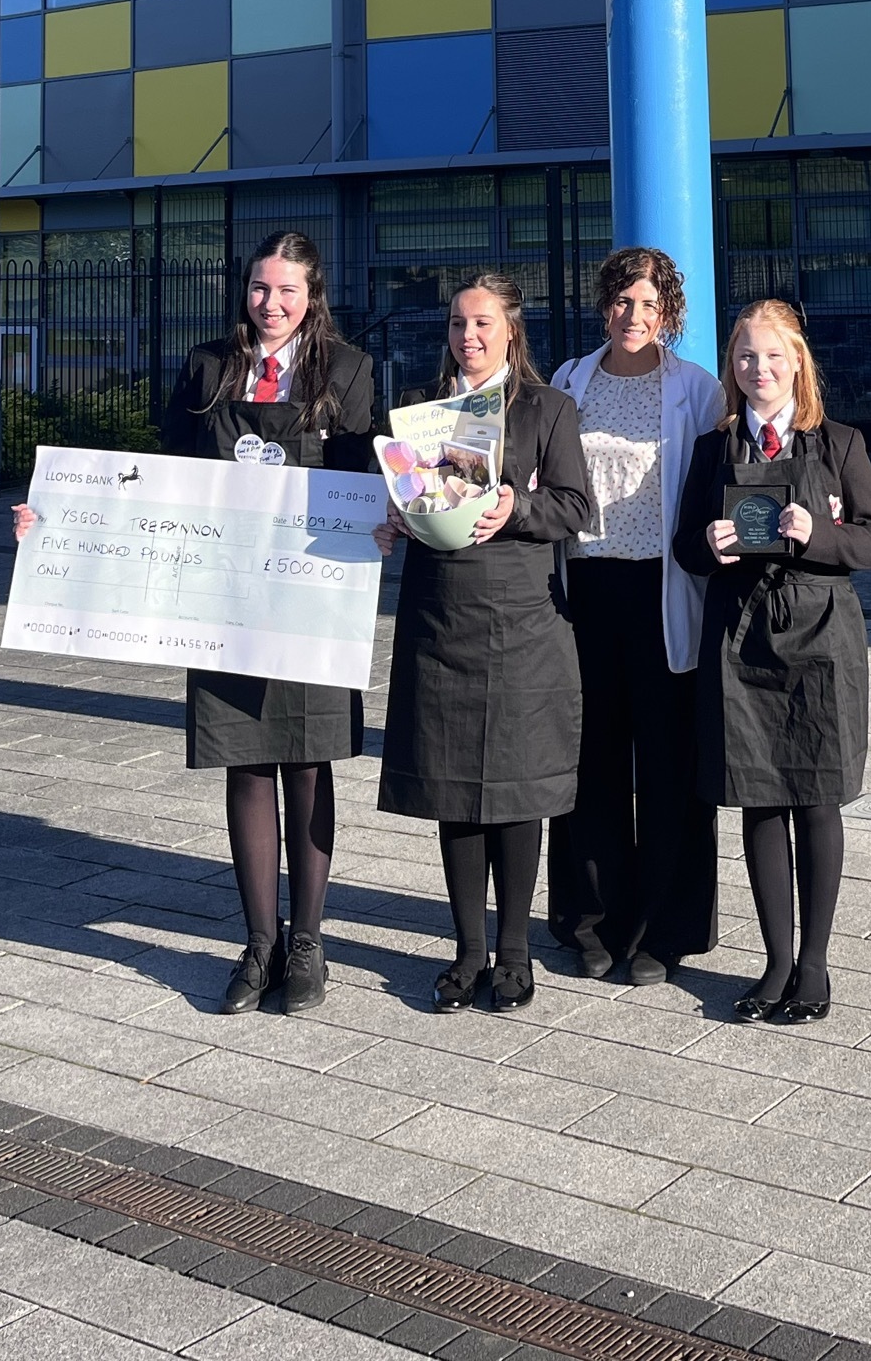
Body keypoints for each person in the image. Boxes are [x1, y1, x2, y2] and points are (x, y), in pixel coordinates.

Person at [161, 231, 375, 1018]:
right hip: (225, 597)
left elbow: (363, 481)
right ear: (243, 290)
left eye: (287, 290)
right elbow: (166, 477)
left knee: (309, 762)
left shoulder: (347, 371)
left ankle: (309, 943)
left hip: (313, 600)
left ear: (312, 294)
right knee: (244, 763)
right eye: (259, 288)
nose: (271, 303)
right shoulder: (208, 367)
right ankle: (259, 943)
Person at [674, 298, 871, 1025]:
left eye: (772, 356)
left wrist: (816, 536)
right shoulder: (715, 449)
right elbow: (683, 549)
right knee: (761, 798)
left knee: (815, 797)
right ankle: (773, 963)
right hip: (739, 640)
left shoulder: (839, 444)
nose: (758, 369)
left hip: (822, 640)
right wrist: (708, 545)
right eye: (745, 357)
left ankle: (816, 965)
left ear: (798, 362)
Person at [375, 271, 591, 1013]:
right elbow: (404, 494)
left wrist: (516, 504)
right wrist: (398, 517)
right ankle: (468, 951)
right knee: (452, 790)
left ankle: (516, 953)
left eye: (483, 325)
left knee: (514, 790)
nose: (469, 337)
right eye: (459, 325)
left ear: (511, 331)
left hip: (523, 620)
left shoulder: (549, 409)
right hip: (441, 617)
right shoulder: (424, 417)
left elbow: (574, 506)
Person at [547, 247, 724, 985]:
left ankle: (664, 928)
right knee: (589, 764)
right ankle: (589, 920)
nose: (634, 316)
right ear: (605, 304)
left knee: (666, 763)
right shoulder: (568, 381)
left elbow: (725, 482)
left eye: (649, 305)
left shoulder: (700, 391)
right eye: (623, 302)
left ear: (669, 313)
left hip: (664, 593)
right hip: (586, 591)